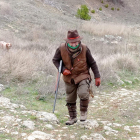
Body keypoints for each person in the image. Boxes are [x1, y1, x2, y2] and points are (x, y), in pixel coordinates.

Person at [52, 30, 101, 125]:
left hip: (83, 75)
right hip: (69, 77)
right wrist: (62, 70)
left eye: (76, 41)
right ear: (68, 42)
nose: (74, 44)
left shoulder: (84, 48)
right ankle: (72, 118)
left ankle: (83, 114)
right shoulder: (61, 48)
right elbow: (55, 60)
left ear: (79, 40)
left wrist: (97, 76)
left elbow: (92, 63)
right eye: (72, 42)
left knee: (83, 93)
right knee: (70, 98)